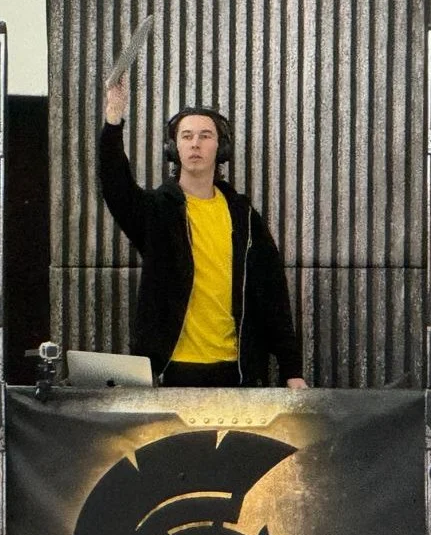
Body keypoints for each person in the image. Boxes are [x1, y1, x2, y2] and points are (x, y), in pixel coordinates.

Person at [99, 75, 307, 388]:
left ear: (220, 148)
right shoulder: (157, 211)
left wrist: (292, 370)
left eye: (205, 135)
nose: (195, 143)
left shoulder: (244, 216)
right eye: (186, 136)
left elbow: (273, 293)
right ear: (174, 148)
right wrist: (113, 119)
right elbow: (116, 185)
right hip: (172, 370)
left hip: (236, 371)